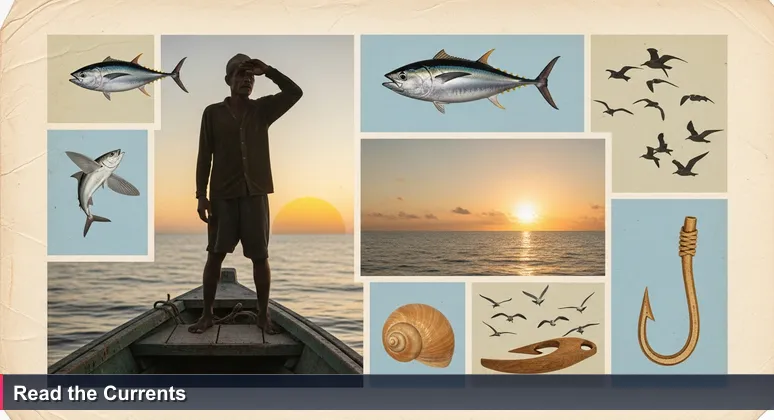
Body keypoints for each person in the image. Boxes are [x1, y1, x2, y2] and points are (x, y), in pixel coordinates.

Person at [190, 53, 303, 335]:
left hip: (255, 194)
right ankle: (207, 315)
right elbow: (205, 156)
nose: (246, 81)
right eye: (240, 76)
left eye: (250, 77)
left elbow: (295, 92)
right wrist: (200, 195)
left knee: (260, 257)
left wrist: (270, 70)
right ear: (228, 80)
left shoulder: (262, 110)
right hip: (222, 197)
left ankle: (263, 315)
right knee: (215, 255)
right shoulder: (212, 113)